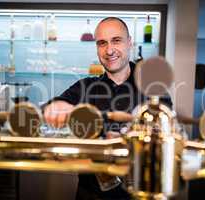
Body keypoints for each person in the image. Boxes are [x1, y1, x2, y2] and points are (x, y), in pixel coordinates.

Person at [43, 17, 170, 200]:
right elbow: (51, 107)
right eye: (102, 43)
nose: (109, 50)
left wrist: (129, 141)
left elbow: (167, 136)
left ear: (130, 43)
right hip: (90, 194)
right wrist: (56, 106)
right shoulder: (84, 86)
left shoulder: (154, 87)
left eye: (116, 41)